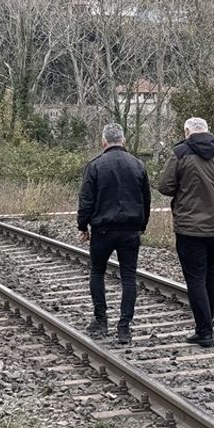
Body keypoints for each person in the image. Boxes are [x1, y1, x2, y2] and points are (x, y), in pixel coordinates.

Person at [157, 117, 214, 348]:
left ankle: (204, 331)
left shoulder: (180, 153)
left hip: (189, 227)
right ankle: (207, 323)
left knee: (195, 278)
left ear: (187, 132)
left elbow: (165, 187)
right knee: (209, 275)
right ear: (208, 130)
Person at [77, 123, 151, 345]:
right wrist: (142, 226)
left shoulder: (95, 166)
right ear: (123, 140)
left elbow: (86, 199)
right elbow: (146, 200)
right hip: (130, 229)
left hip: (103, 229)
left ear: (104, 142)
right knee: (129, 277)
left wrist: (83, 226)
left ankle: (101, 320)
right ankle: (124, 327)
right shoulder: (138, 165)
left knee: (97, 272)